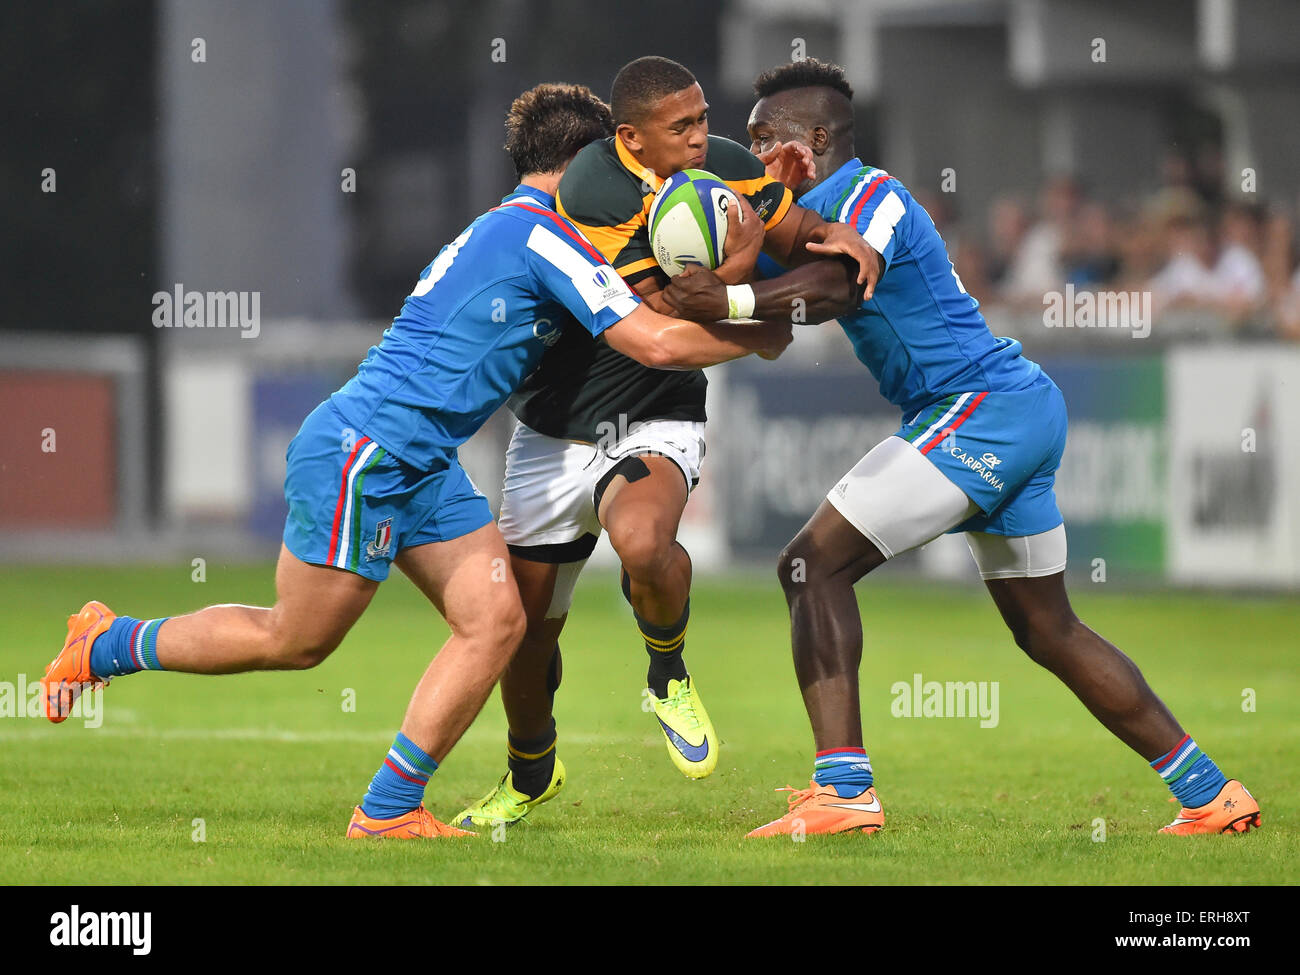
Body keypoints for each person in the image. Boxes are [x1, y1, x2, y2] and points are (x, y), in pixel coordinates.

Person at [39, 82, 793, 840]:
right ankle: (106, 642)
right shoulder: (546, 236)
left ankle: (389, 808)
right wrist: (755, 332)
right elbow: (655, 341)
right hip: (367, 450)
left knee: (498, 622)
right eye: (617, 174)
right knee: (296, 640)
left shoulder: (511, 228)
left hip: (425, 460)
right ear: (586, 164)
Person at [664, 58, 1261, 838]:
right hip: (1003, 410)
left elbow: (842, 285)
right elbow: (776, 328)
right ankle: (1212, 794)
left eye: (763, 135)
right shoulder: (802, 212)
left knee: (810, 564)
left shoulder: (867, 192)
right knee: (1049, 630)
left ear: (816, 138)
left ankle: (844, 791)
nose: (752, 150)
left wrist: (733, 292)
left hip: (980, 407)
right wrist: (702, 289)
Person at [453, 56, 877, 828]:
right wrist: (748, 285)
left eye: (703, 118)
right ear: (629, 139)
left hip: (657, 413)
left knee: (644, 543)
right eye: (682, 126)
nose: (702, 136)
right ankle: (530, 769)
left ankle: (666, 671)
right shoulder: (590, 194)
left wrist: (834, 233)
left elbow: (799, 232)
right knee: (522, 633)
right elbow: (671, 314)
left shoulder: (724, 167)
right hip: (553, 425)